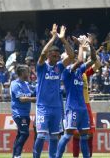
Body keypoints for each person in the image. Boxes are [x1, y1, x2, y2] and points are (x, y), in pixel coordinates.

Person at [33, 24, 75, 158]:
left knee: (54, 137)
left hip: (57, 107)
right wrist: (53, 38)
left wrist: (62, 39)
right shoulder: (41, 67)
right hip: (42, 107)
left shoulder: (59, 67)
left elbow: (71, 55)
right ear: (49, 56)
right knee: (40, 136)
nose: (56, 58)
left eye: (57, 56)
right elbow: (42, 53)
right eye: (53, 55)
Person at [57, 35, 97, 158]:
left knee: (84, 137)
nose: (72, 58)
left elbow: (94, 59)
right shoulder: (66, 71)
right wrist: (80, 45)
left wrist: (90, 45)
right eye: (69, 57)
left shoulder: (80, 71)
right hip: (72, 108)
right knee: (68, 135)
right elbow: (79, 60)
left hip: (82, 108)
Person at [10, 65, 36, 158]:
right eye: (27, 72)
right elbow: (21, 99)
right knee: (25, 133)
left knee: (20, 134)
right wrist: (33, 99)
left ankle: (14, 156)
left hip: (26, 113)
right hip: (18, 113)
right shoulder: (15, 84)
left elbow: (34, 91)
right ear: (21, 73)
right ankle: (17, 155)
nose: (28, 73)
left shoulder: (26, 84)